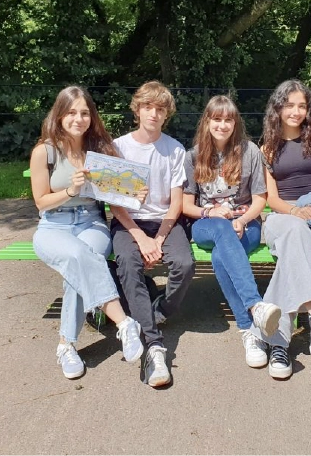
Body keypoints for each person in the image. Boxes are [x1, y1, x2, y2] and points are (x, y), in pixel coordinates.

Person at [30, 86, 143, 380]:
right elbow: (41, 202)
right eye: (71, 112)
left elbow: (122, 192)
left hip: (92, 222)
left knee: (80, 262)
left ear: (91, 117)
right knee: (78, 257)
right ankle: (124, 323)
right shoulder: (45, 151)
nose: (78, 119)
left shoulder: (101, 150)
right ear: (59, 114)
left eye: (84, 113)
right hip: (54, 225)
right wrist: (70, 190)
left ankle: (66, 346)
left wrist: (136, 194)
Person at [182, 95, 282, 368]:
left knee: (219, 258)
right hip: (207, 224)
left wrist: (243, 219)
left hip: (245, 224)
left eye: (228, 119)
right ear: (207, 121)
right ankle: (255, 305)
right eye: (217, 119)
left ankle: (247, 331)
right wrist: (210, 212)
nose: (222, 125)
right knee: (219, 228)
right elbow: (186, 205)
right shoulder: (193, 156)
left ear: (235, 123)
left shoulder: (250, 151)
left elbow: (260, 198)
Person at [109, 81, 194, 388]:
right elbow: (115, 204)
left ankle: (161, 309)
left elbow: (176, 203)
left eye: (160, 109)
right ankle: (153, 346)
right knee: (128, 264)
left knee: (184, 264)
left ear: (166, 114)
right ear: (138, 109)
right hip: (128, 223)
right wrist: (141, 238)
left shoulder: (174, 149)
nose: (154, 114)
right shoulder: (118, 147)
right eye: (148, 107)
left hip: (164, 223)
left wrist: (159, 237)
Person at [253, 79, 311, 380]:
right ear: (278, 108)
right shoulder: (268, 147)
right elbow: (270, 198)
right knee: (294, 232)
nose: (296, 111)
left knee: (295, 244)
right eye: (289, 105)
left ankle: (276, 343)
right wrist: (294, 211)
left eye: (302, 105)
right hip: (282, 215)